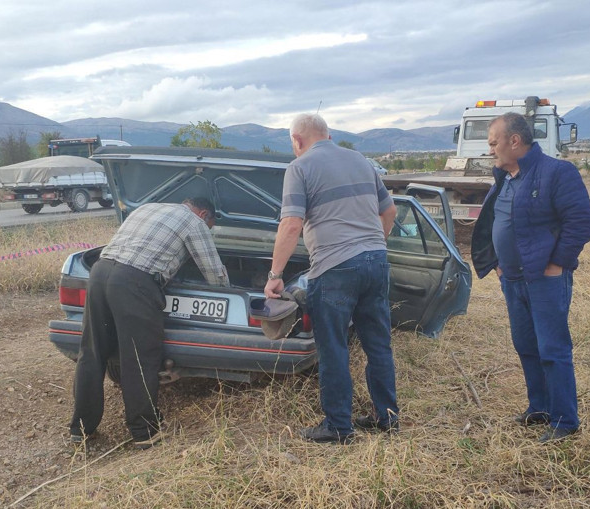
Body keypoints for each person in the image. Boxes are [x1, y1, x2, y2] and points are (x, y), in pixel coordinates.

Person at [264, 113, 399, 444]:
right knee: (378, 344)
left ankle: (339, 426)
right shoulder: (361, 161)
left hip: (334, 267)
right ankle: (387, 418)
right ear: (328, 134)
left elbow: (291, 224)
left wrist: (275, 276)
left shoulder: (300, 167)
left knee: (334, 348)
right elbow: (390, 211)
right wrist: (373, 245)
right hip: (376, 262)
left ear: (297, 140)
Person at [471, 112, 590, 443]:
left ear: (515, 140)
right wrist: (496, 263)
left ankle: (565, 420)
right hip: (512, 280)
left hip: (545, 280)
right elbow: (490, 223)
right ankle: (539, 408)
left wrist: (558, 263)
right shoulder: (504, 177)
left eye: (493, 142)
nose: (490, 150)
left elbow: (581, 222)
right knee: (526, 345)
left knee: (552, 348)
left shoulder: (557, 172)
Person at [70, 197, 229, 450]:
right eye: (209, 226)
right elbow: (215, 274)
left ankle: (81, 428)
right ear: (204, 214)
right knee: (139, 357)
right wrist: (228, 294)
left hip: (100, 274)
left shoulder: (145, 207)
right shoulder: (194, 223)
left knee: (91, 352)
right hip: (135, 282)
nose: (207, 230)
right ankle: (144, 431)